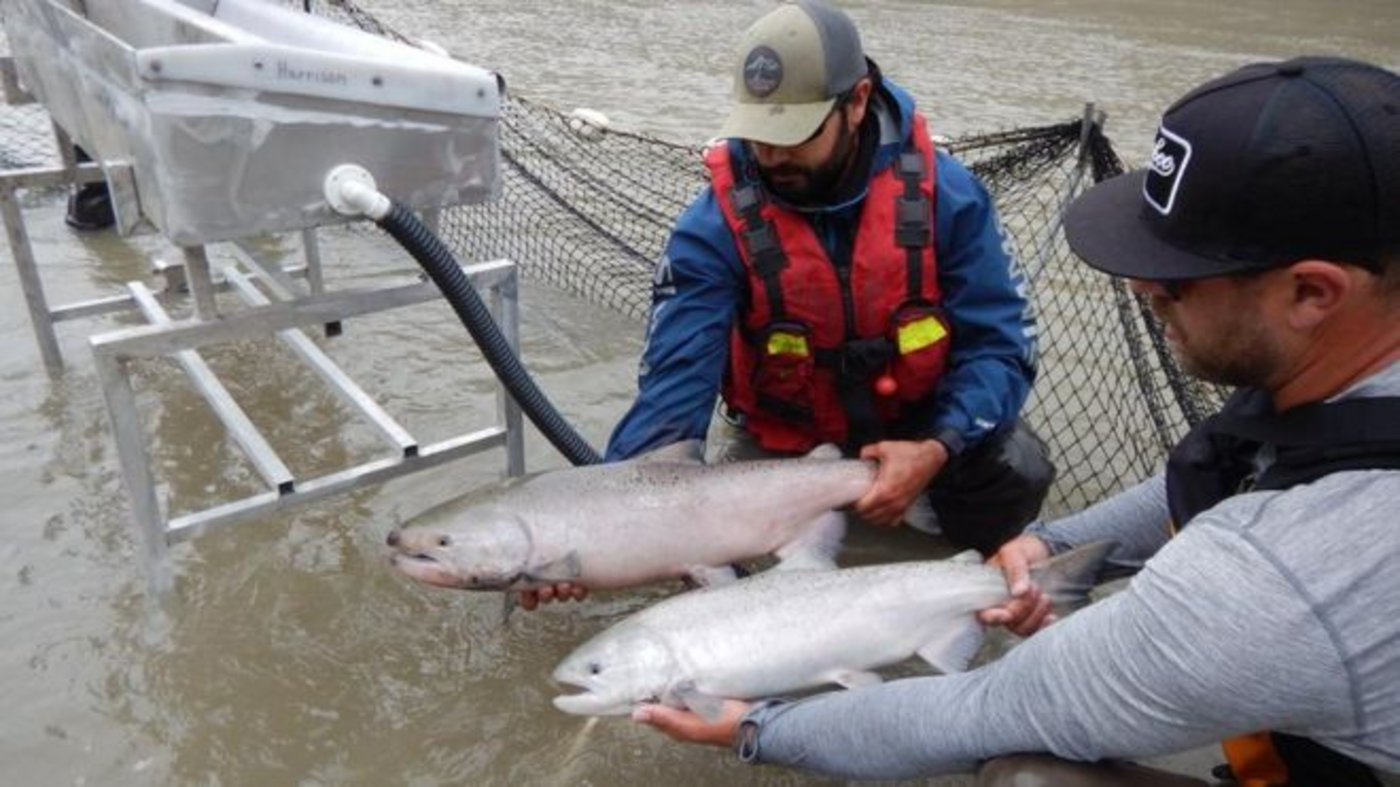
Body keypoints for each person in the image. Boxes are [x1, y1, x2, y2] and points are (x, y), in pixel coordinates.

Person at [632, 55, 1400, 786]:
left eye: (1179, 275)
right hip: (796, 441)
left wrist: (754, 725)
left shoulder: (1267, 584)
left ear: (1311, 294)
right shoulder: (1336, 364)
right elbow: (1210, 472)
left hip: (937, 437)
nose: (1139, 285)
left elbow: (981, 710)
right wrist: (1052, 545)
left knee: (1028, 768)